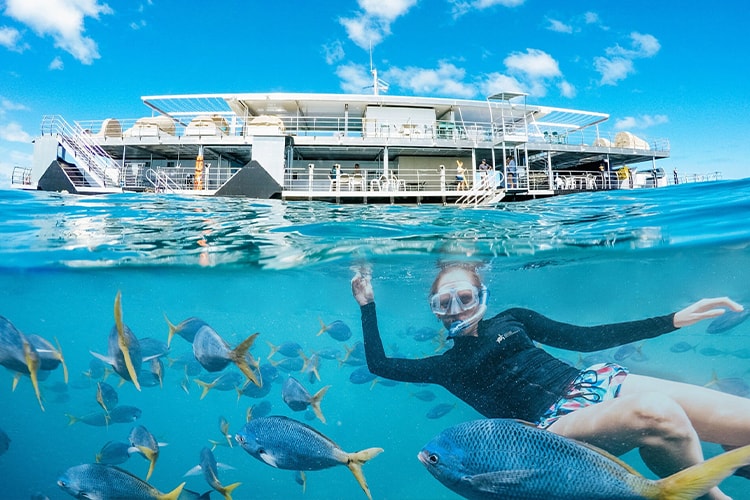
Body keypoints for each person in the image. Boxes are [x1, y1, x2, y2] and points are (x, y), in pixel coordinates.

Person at [351, 262, 749, 500]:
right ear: (435, 312)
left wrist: (673, 320)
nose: (456, 311)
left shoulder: (514, 318)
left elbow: (584, 339)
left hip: (598, 382)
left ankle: (737, 459)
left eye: (465, 298)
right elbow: (380, 364)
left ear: (482, 296)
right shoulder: (444, 365)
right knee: (656, 413)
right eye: (443, 304)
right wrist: (367, 306)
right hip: (552, 427)